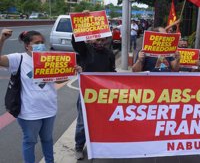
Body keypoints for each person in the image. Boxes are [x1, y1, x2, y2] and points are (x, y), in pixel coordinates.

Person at [0, 29, 81, 163]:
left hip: (49, 110)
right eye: (37, 42)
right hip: (29, 113)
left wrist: (71, 72)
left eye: (42, 42)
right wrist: (2, 39)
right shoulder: (18, 59)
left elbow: (58, 80)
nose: (41, 45)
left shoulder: (49, 58)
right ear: (27, 45)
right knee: (30, 141)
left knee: (48, 140)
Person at [72, 35, 116, 160]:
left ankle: (99, 144)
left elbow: (112, 71)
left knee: (102, 121)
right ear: (91, 40)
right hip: (87, 94)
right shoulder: (85, 50)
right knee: (82, 122)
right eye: (98, 40)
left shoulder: (109, 54)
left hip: (103, 94)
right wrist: (81, 23)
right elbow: (76, 40)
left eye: (103, 40)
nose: (101, 43)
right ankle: (79, 147)